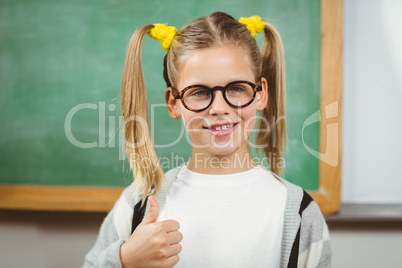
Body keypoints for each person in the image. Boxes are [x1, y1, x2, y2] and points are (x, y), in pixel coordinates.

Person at [83, 12, 332, 268]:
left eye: (236, 88)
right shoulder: (139, 205)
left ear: (260, 94)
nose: (219, 108)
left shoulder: (299, 213)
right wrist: (124, 261)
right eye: (199, 92)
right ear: (174, 103)